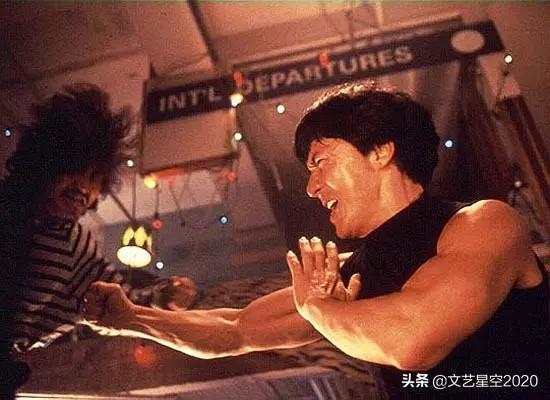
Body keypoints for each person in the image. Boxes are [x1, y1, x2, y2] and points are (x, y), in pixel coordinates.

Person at [84, 81, 549, 399]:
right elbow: (234, 330)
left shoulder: (484, 223)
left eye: (320, 161)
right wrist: (132, 318)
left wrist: (320, 310)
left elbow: (412, 341)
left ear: (381, 151)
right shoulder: (345, 278)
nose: (311, 187)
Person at [0, 83, 197, 398]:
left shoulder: (73, 242)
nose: (84, 187)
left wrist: (167, 296)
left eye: (95, 178)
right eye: (76, 168)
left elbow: (120, 302)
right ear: (45, 161)